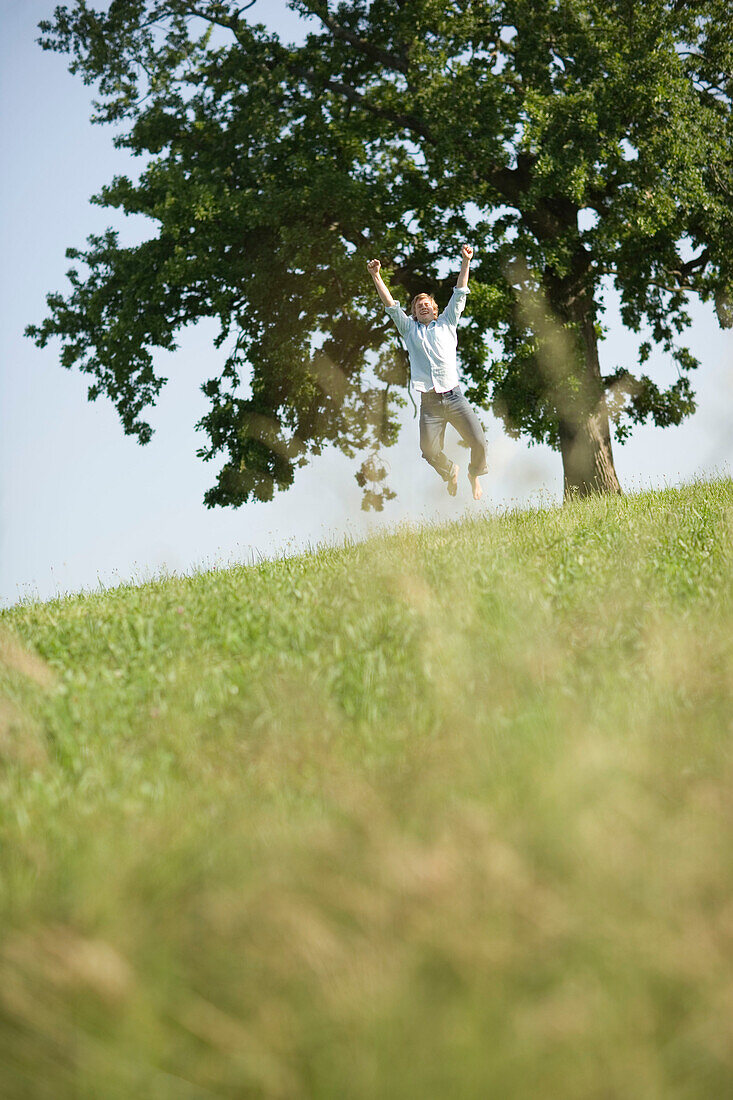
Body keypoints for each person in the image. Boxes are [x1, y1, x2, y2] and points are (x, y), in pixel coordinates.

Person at [367, 245, 488, 500]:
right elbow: (390, 305)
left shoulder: (447, 322)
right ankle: (449, 470)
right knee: (429, 451)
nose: (422, 306)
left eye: (426, 304)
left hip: (454, 397)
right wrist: (377, 276)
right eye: (417, 305)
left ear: (434, 309)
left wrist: (466, 261)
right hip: (430, 402)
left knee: (478, 441)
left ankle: (473, 473)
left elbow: (460, 292)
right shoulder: (409, 329)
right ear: (413, 312)